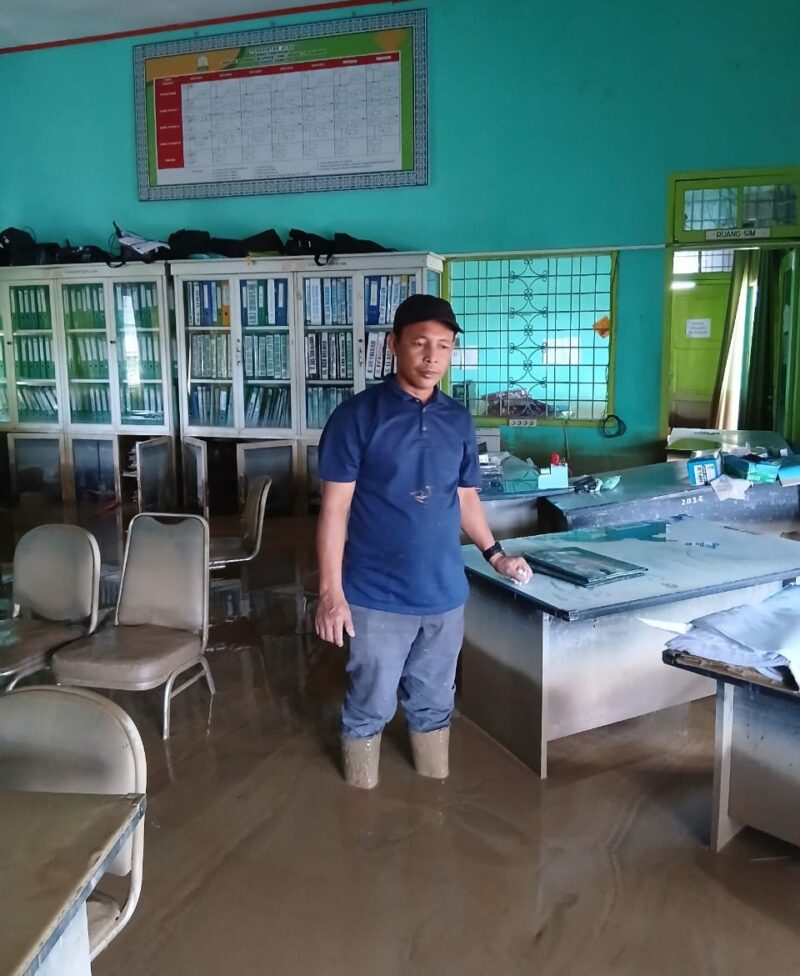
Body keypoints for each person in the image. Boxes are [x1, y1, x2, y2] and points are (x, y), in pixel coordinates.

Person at [316, 293, 532, 789]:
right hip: (375, 593)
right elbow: (334, 511)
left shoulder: (457, 419)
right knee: (371, 702)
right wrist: (331, 594)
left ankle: (433, 789)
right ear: (393, 345)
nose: (432, 357)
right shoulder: (357, 417)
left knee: (436, 700)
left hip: (444, 593)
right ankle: (360, 794)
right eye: (419, 343)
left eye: (444, 345)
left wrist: (495, 555)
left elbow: (465, 497)